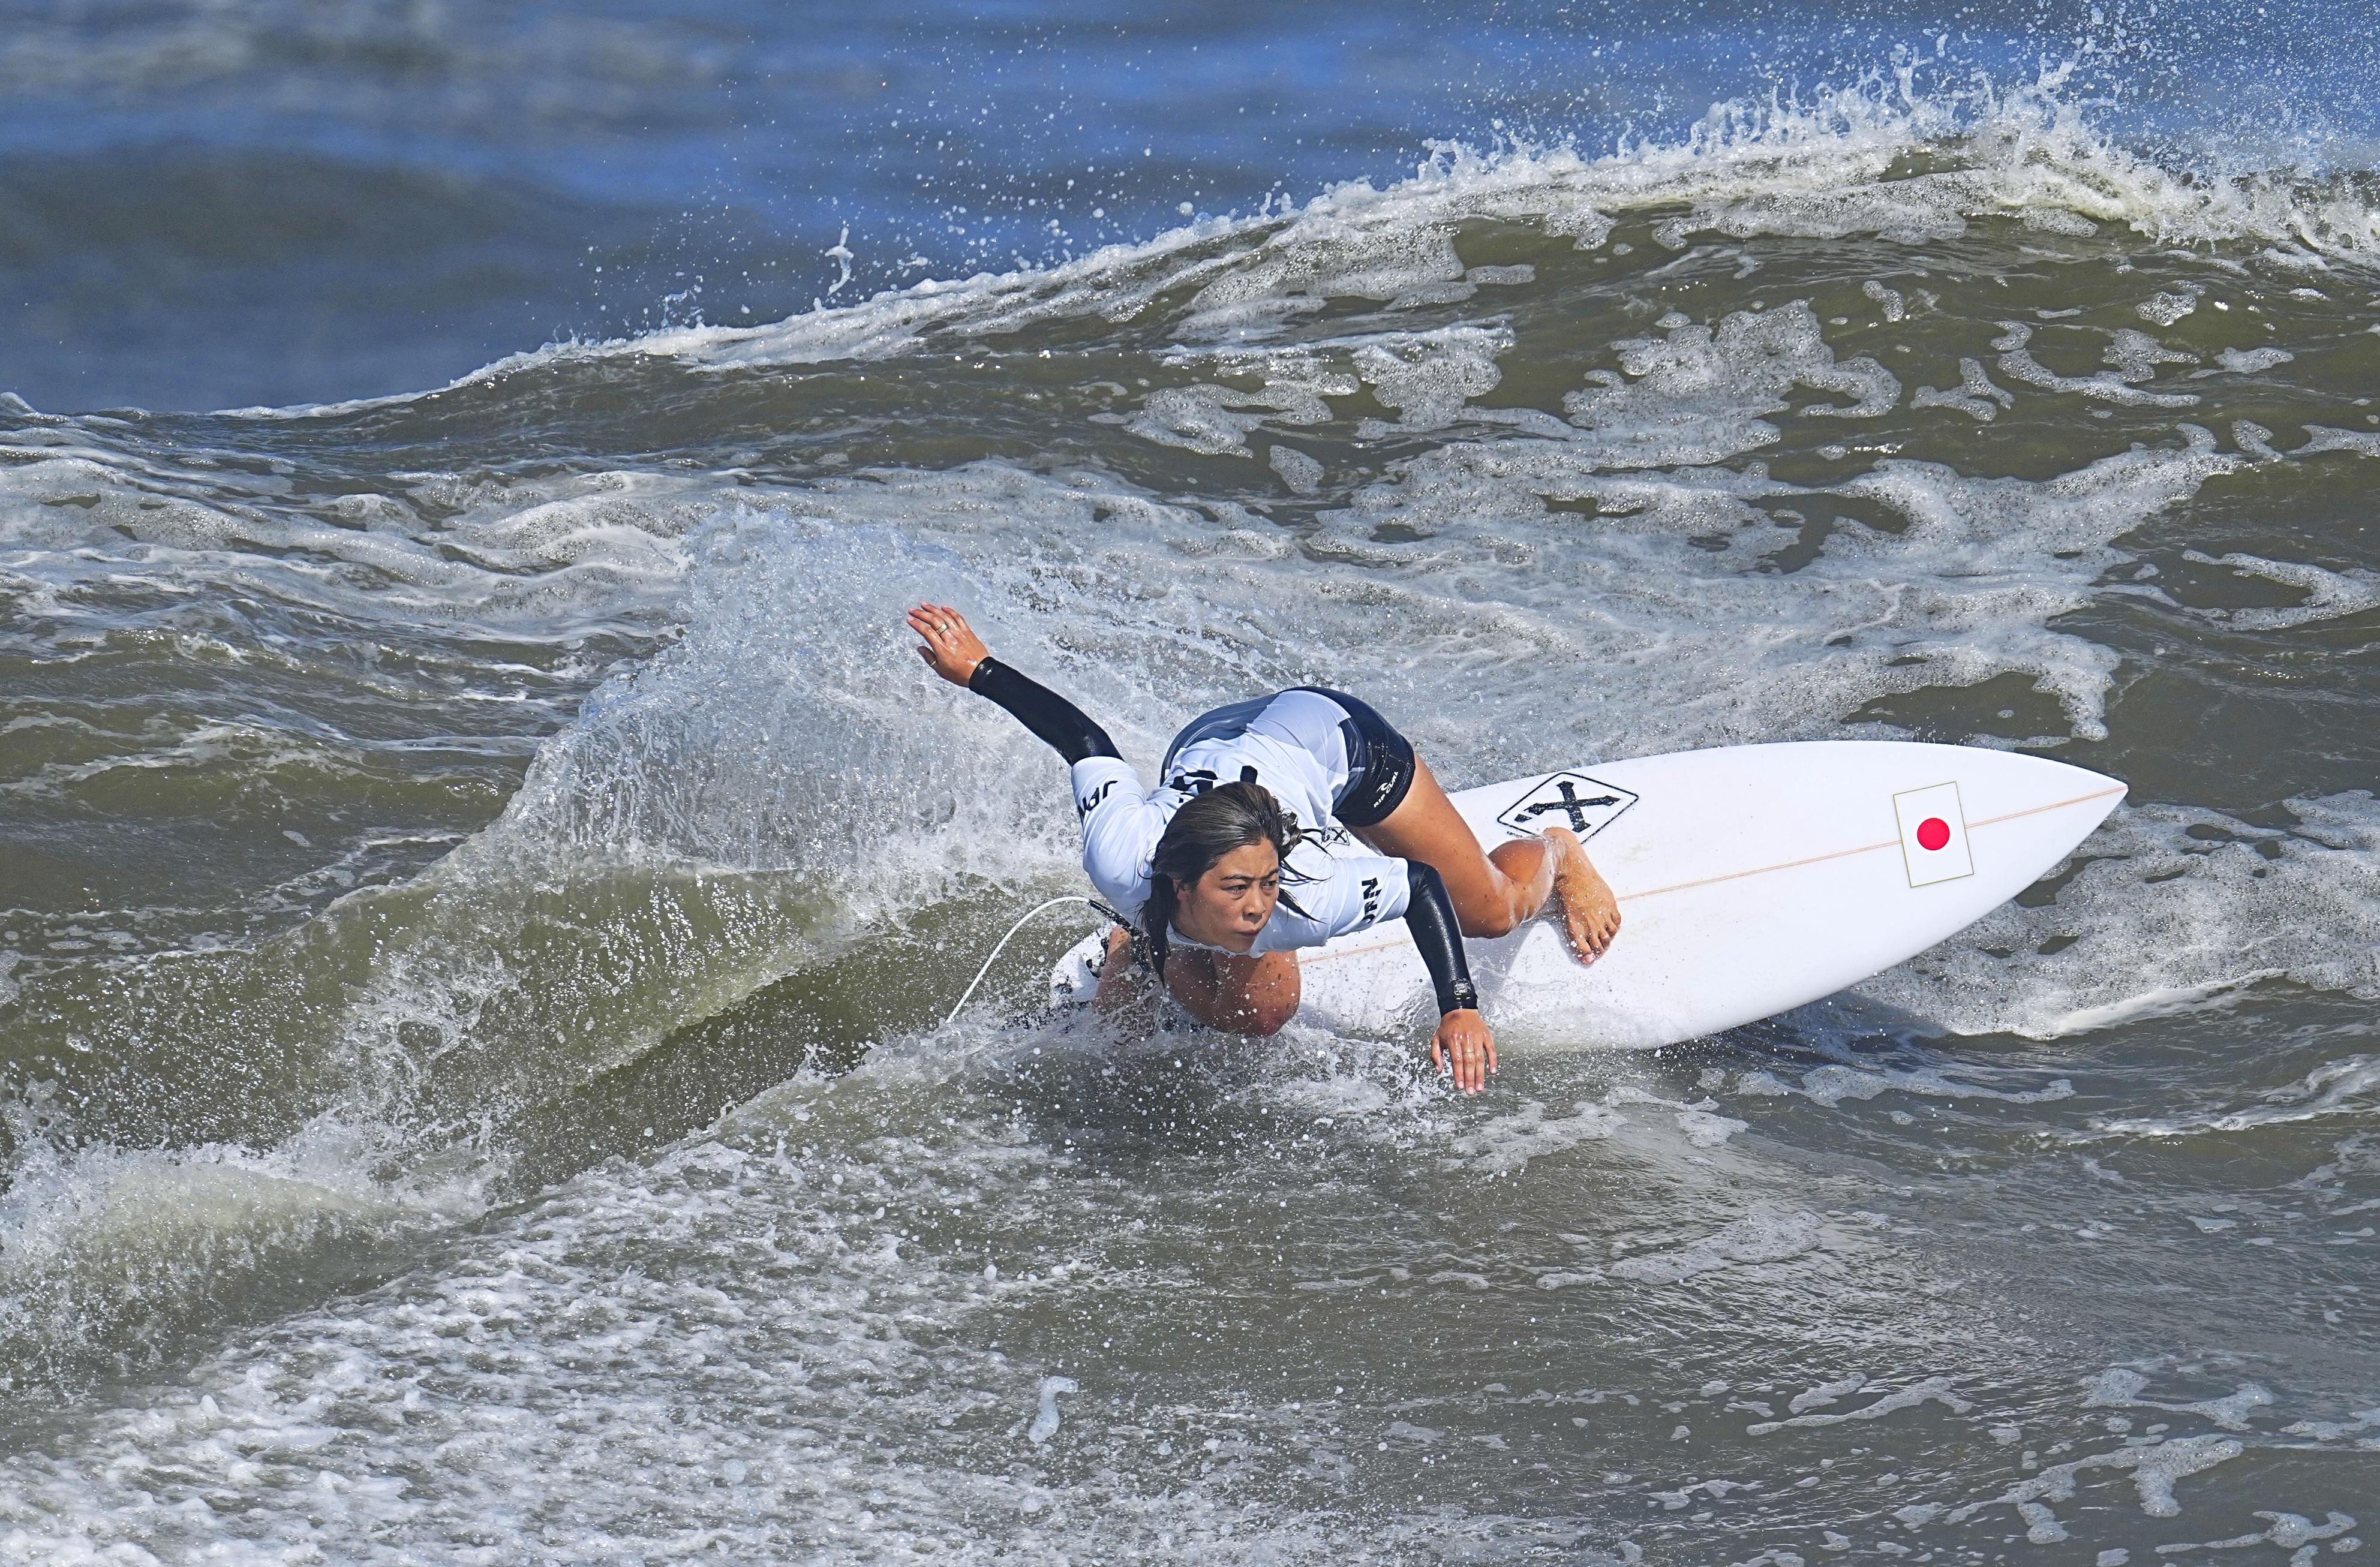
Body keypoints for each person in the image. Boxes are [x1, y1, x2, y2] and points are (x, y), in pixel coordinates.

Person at [907, 603, 1622, 1094]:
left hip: (1338, 740)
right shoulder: (1123, 854)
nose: (1258, 908)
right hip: (1211, 737)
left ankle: (1556, 852)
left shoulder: (1303, 893)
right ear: (1178, 883)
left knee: (1489, 914)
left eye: (1265, 884)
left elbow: (1419, 885)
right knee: (1234, 996)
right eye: (1235, 891)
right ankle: (1141, 938)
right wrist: (976, 670)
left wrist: (1458, 1004)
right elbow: (1083, 742)